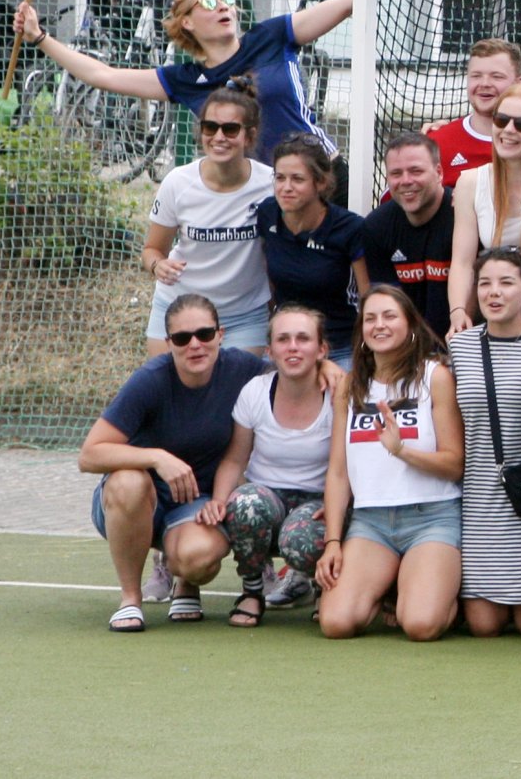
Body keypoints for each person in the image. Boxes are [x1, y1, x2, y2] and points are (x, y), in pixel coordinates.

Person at [14, 0, 355, 168]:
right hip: (267, 194)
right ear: (187, 21)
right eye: (209, 3)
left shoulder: (272, 35)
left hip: (325, 171)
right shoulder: (186, 80)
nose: (223, 7)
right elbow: (103, 75)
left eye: (227, 1)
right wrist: (40, 37)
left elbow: (351, 2)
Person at [79, 294, 266, 631]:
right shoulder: (150, 380)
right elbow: (90, 454)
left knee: (201, 559)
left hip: (193, 505)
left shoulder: (242, 369)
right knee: (129, 481)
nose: (195, 345)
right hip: (135, 504)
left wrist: (326, 367)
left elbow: (293, 368)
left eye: (204, 334)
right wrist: (156, 458)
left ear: (220, 335)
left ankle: (185, 582)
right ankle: (130, 599)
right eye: (182, 338)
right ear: (168, 344)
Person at [315, 286, 464, 641]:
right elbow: (338, 473)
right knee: (336, 623)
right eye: (370, 319)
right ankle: (392, 589)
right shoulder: (351, 385)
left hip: (432, 517)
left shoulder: (434, 377)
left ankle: (429, 596)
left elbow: (455, 464)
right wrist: (333, 542)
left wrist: (402, 452)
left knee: (421, 625)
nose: (379, 325)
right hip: (372, 523)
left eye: (389, 316)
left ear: (410, 324)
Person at [448, 248, 521, 638]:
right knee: (484, 625)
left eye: (506, 283)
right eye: (484, 284)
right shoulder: (460, 348)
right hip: (481, 496)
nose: (493, 293)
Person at [202, 305, 334, 628]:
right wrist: (220, 501)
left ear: (322, 349)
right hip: (267, 498)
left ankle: (323, 588)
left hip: (318, 502)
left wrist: (336, 506)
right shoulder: (255, 392)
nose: (292, 347)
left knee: (300, 539)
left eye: (303, 339)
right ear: (269, 350)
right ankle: (252, 590)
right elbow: (235, 459)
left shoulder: (340, 393)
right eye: (283, 339)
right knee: (244, 503)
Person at [141, 86, 274, 354]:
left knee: (239, 394)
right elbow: (151, 250)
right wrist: (158, 266)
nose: (219, 137)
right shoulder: (178, 183)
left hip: (244, 315)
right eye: (210, 127)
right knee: (169, 390)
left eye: (230, 129)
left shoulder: (271, 184)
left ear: (250, 136)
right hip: (180, 308)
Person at [446, 83, 521, 335]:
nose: (508, 130)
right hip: (502, 310)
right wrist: (458, 312)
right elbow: (463, 262)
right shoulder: (471, 182)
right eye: (501, 121)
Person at [259, 134, 369, 365]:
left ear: (320, 183)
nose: (286, 187)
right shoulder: (268, 214)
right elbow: (269, 282)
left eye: (297, 179)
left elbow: (368, 298)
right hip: (290, 345)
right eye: (280, 178)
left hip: (341, 347)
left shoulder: (350, 229)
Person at [361, 132, 457, 339]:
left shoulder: (463, 216)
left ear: (439, 172)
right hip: (407, 345)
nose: (406, 181)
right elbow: (386, 304)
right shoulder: (376, 226)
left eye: (416, 171)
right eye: (396, 174)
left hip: (462, 339)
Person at [426, 38, 521, 188]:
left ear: (519, 83)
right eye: (476, 76)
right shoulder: (435, 143)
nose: (484, 83)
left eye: (496, 76)